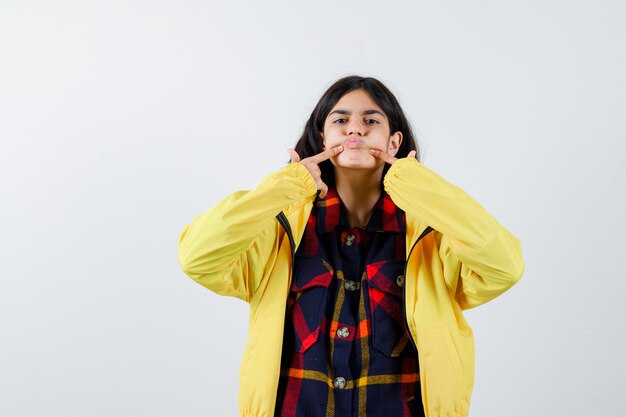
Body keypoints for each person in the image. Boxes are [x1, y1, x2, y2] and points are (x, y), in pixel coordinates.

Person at [177, 75, 525, 417]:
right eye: (341, 119)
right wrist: (284, 186)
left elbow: (504, 265)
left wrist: (417, 185)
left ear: (394, 142)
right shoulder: (281, 233)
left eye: (370, 120)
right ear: (321, 138)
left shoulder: (432, 238)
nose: (355, 129)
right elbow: (197, 256)